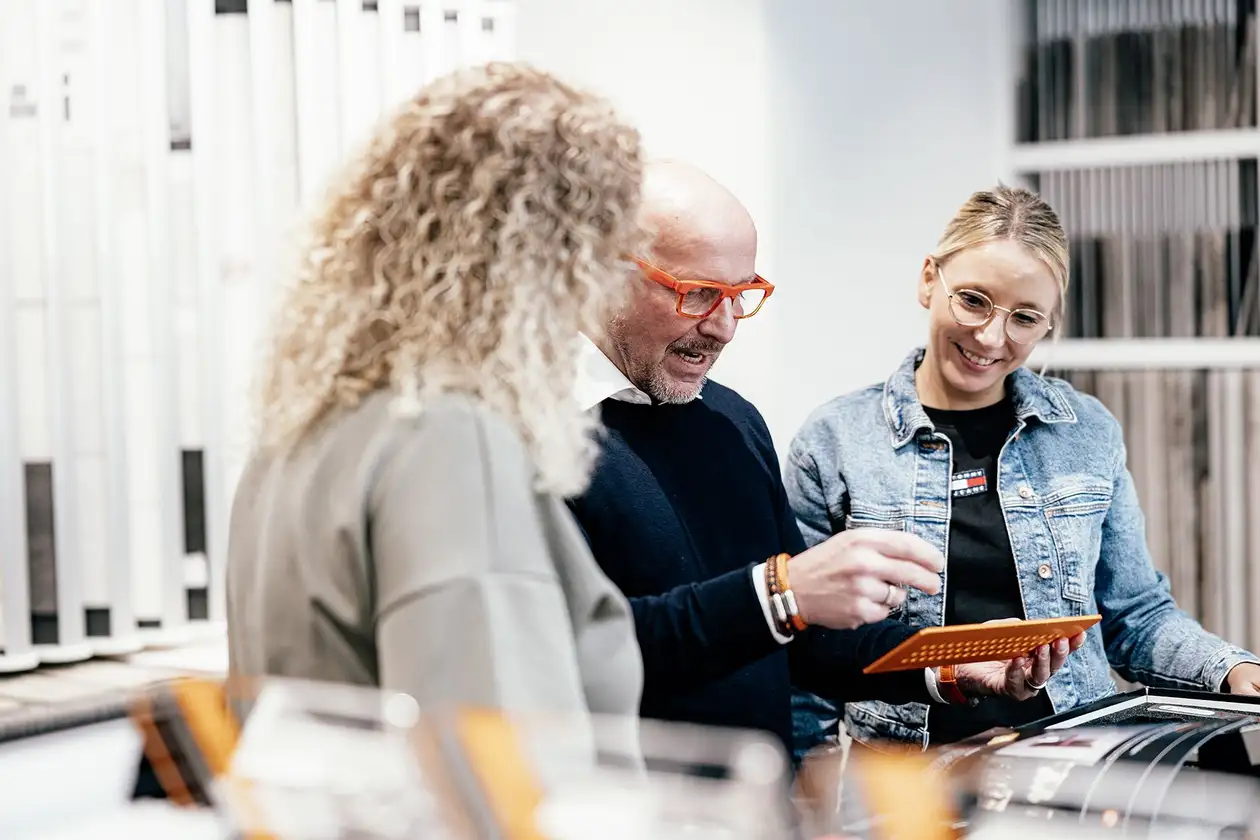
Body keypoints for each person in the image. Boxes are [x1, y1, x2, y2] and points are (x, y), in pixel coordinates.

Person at [567, 162, 1083, 762]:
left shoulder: (731, 420)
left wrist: (952, 662)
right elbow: (576, 650)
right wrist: (779, 594)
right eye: (698, 294)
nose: (725, 328)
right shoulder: (524, 437)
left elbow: (801, 645)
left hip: (759, 810)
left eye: (742, 295)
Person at [224, 64, 648, 727]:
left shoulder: (304, 426)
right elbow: (493, 766)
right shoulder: (449, 442)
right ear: (551, 259)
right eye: (604, 259)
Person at [785, 185, 1260, 751]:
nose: (991, 337)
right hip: (902, 781)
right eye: (973, 300)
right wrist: (800, 792)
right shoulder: (835, 441)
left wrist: (1229, 670)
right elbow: (804, 653)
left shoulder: (1085, 431)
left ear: (1049, 323)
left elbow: (1135, 615)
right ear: (927, 280)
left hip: (1069, 762)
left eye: (1025, 318)